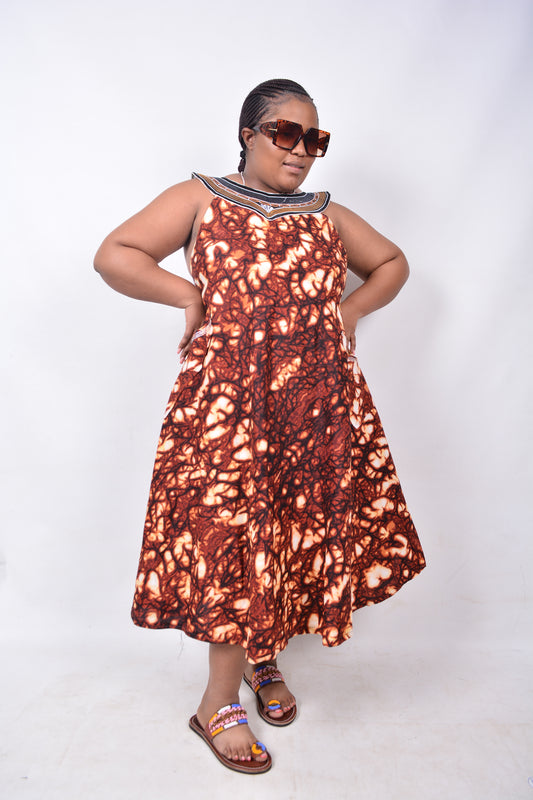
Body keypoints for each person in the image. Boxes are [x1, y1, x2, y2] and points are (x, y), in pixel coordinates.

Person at [94, 78, 426, 774]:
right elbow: (115, 254)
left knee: (290, 531)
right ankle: (216, 704)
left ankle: (260, 657)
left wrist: (348, 311)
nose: (301, 150)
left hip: (315, 407)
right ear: (248, 134)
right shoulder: (201, 198)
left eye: (315, 139)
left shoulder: (327, 214)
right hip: (228, 408)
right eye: (286, 133)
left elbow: (392, 263)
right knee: (231, 541)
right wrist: (187, 293)